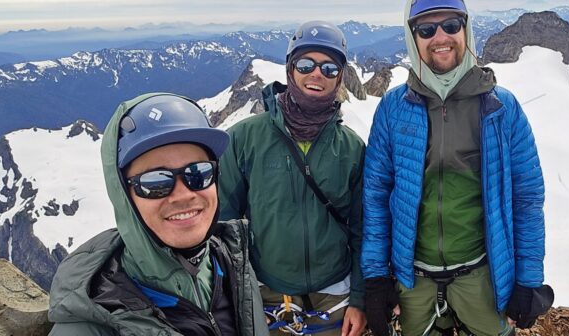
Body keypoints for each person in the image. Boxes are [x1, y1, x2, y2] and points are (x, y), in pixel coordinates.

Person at [361, 0, 553, 336]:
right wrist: (375, 279)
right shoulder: (393, 109)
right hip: (413, 279)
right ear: (412, 36)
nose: (440, 37)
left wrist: (528, 280)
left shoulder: (500, 108)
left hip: (481, 276)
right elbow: (376, 197)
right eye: (426, 28)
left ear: (466, 29)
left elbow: (527, 198)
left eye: (451, 25)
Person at [48, 93, 268, 335]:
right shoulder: (90, 325)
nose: (184, 195)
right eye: (155, 182)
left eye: (198, 173)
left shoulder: (235, 263)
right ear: (124, 196)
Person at [218, 21, 366, 336]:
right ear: (290, 68)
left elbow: (363, 230)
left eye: (329, 68)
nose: (317, 74)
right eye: (306, 64)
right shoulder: (246, 139)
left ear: (340, 77)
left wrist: (360, 298)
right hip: (267, 291)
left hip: (336, 292)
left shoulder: (351, 148)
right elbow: (223, 225)